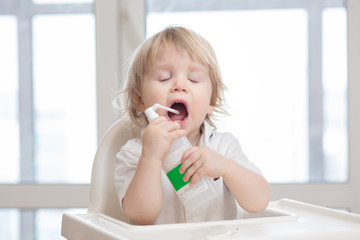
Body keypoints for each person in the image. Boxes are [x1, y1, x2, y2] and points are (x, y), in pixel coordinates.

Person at [114, 26, 270, 225]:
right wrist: (150, 158)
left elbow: (259, 202)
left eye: (194, 79)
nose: (180, 85)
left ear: (211, 102)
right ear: (140, 99)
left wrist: (226, 167)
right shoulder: (134, 154)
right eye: (164, 77)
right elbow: (142, 216)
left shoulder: (224, 148)